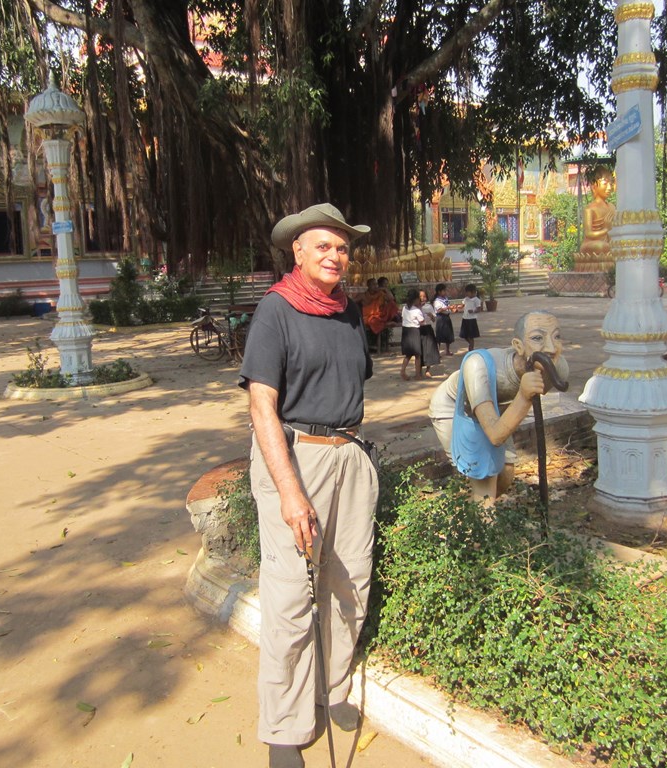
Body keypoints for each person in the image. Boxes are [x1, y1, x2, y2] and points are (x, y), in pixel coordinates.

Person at [238, 203, 378, 768]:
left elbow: (349, 387)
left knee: (350, 582)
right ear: (297, 251)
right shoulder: (276, 311)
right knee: (293, 597)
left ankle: (333, 687)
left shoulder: (348, 312)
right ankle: (285, 728)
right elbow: (261, 406)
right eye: (323, 246)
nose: (335, 256)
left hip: (349, 458)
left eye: (342, 248)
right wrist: (292, 491)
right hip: (295, 460)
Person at [429, 310, 569, 503]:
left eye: (557, 337)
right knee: (484, 477)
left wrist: (522, 398)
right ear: (518, 346)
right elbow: (495, 435)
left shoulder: (558, 367)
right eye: (538, 338)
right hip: (457, 410)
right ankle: (479, 519)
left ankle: (471, 514)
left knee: (505, 475)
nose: (551, 348)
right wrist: (523, 395)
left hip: (497, 412)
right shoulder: (479, 366)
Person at [575, 165, 616, 264]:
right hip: (594, 244)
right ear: (594, 186)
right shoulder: (590, 209)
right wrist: (606, 229)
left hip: (609, 242)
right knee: (601, 247)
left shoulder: (612, 207)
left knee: (619, 246)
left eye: (611, 184)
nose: (609, 188)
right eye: (605, 184)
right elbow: (589, 234)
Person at [399, 288, 425, 380]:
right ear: (416, 299)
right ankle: (418, 374)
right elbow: (422, 322)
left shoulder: (404, 308)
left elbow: (403, 319)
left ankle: (402, 371)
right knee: (417, 355)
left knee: (408, 354)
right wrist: (421, 309)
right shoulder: (417, 310)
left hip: (406, 331)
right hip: (414, 331)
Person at [418, 288, 441, 376]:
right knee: (420, 349)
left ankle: (428, 370)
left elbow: (434, 320)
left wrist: (431, 316)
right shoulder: (415, 307)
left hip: (427, 329)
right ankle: (419, 369)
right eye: (420, 296)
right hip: (418, 329)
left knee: (429, 349)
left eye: (424, 296)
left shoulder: (429, 306)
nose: (422, 298)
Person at [433, 283, 458, 355]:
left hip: (447, 317)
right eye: (443, 291)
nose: (445, 292)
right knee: (439, 335)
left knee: (448, 334)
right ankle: (437, 351)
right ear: (439, 292)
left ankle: (447, 350)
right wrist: (448, 308)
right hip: (440, 318)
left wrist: (453, 309)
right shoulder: (437, 301)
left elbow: (448, 307)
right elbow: (439, 310)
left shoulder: (445, 299)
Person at [458, 283, 483, 351]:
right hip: (465, 318)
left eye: (468, 292)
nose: (467, 294)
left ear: (473, 292)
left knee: (471, 335)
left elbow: (479, 309)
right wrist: (458, 307)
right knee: (464, 335)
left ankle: (471, 347)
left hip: (471, 319)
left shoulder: (476, 300)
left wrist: (473, 311)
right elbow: (462, 305)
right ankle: (470, 343)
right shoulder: (466, 299)